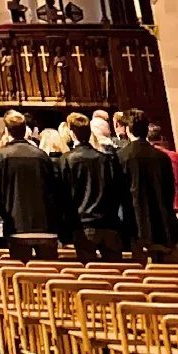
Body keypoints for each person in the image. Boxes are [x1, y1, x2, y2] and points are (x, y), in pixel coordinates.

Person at [62, 108, 130, 260]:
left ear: (72, 133)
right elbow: (117, 190)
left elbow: (64, 195)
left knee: (90, 276)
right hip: (110, 223)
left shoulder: (67, 160)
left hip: (84, 225)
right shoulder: (106, 160)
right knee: (116, 274)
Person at [0, 111, 57, 250]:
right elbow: (52, 190)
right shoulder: (41, 155)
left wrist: (6, 216)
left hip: (15, 226)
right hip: (44, 225)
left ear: (7, 131)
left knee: (21, 270)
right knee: (48, 270)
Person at [120, 113, 178, 258]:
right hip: (164, 223)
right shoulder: (161, 157)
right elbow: (170, 190)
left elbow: (121, 194)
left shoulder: (121, 157)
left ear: (128, 130)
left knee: (144, 275)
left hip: (136, 226)